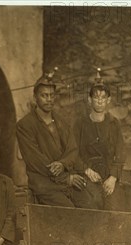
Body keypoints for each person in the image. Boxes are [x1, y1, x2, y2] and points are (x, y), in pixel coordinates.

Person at [16, 70, 96, 208]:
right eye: (44, 95)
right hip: (44, 184)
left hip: (67, 180)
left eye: (52, 95)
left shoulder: (62, 122)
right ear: (35, 97)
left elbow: (73, 150)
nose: (49, 99)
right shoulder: (25, 125)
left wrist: (63, 164)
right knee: (68, 211)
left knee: (90, 205)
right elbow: (36, 161)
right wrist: (66, 179)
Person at [73, 70, 127, 210]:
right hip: (87, 175)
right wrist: (86, 170)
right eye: (96, 97)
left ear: (108, 100)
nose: (100, 101)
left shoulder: (114, 123)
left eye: (103, 97)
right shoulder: (80, 123)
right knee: (92, 203)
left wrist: (113, 177)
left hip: (108, 175)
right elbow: (72, 152)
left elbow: (121, 153)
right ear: (89, 100)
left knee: (115, 207)